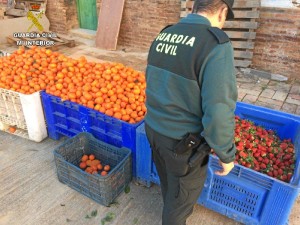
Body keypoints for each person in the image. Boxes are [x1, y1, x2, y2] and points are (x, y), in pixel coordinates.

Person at [144, 0, 237, 224]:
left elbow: (152, 80)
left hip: (153, 128)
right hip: (182, 143)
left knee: (170, 186)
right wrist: (226, 154)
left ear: (195, 7)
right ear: (223, 11)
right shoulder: (214, 44)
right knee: (180, 203)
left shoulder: (165, 34)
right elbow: (218, 109)